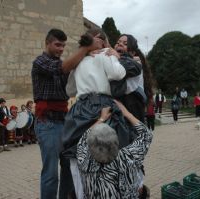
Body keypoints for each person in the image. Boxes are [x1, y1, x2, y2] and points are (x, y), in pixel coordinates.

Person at [31, 28, 102, 199]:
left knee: (70, 167)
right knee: (51, 174)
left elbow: (71, 84)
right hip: (47, 123)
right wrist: (86, 48)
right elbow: (61, 69)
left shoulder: (64, 63)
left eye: (63, 46)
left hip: (65, 121)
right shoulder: (40, 62)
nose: (61, 49)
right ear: (47, 43)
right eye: (57, 45)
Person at [62, 28, 128, 199]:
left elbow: (70, 90)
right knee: (108, 155)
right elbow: (118, 73)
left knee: (77, 155)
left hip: (81, 109)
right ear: (102, 40)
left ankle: (83, 193)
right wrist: (114, 55)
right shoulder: (105, 53)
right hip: (101, 105)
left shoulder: (80, 60)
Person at [77, 101, 153, 199]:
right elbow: (147, 135)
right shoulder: (127, 157)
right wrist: (127, 113)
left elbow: (84, 138)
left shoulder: (84, 160)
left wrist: (101, 118)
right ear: (116, 143)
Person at [112, 34, 153, 123]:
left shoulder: (133, 64)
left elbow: (115, 89)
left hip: (132, 107)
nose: (120, 44)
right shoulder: (118, 61)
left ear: (133, 52)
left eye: (125, 43)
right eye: (118, 42)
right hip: (123, 106)